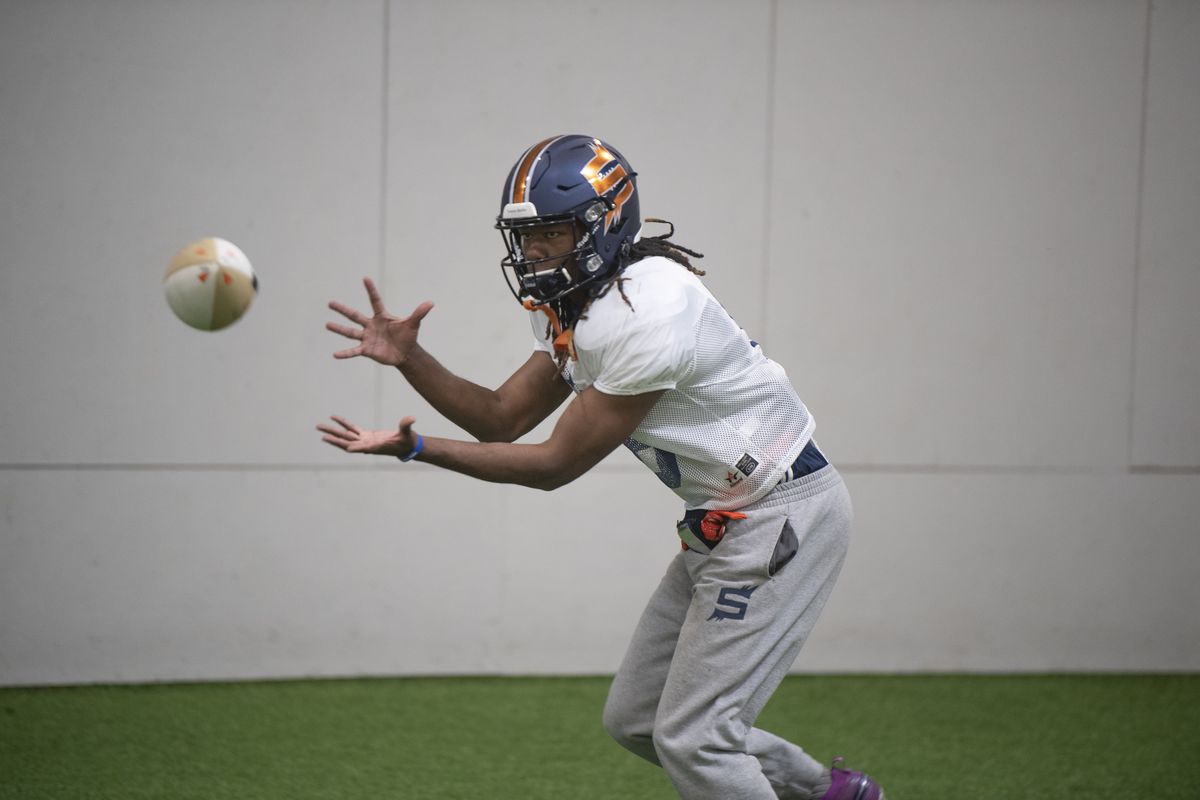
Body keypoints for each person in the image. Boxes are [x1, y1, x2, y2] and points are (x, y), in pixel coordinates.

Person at [317, 134, 884, 800]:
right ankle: (830, 794)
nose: (532, 254)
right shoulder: (581, 305)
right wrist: (412, 359)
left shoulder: (649, 310)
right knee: (639, 721)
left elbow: (554, 465)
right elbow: (502, 418)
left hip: (781, 514)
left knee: (699, 739)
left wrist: (418, 449)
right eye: (525, 238)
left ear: (606, 222)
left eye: (551, 235)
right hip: (726, 520)